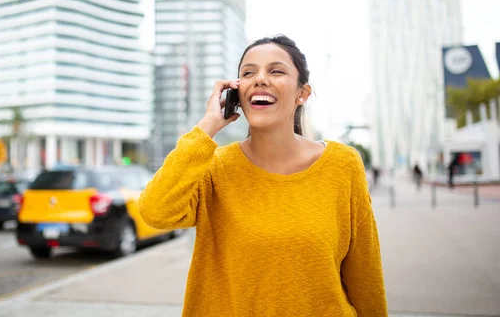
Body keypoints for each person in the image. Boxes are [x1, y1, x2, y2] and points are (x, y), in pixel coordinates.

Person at [139, 35, 387, 316]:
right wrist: (207, 127)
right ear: (235, 92)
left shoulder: (343, 164)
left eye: (276, 71)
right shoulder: (214, 167)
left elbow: (365, 274)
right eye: (248, 73)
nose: (259, 79)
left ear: (302, 93)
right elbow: (154, 211)